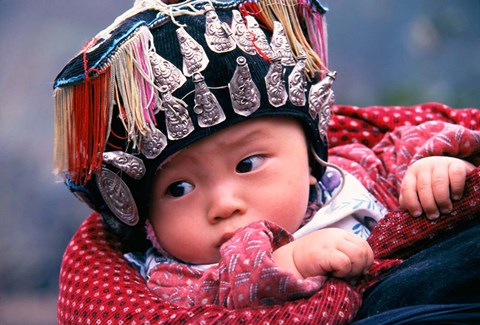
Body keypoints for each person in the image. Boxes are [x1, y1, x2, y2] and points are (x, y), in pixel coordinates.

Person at [53, 0, 480, 323]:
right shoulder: (173, 278)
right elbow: (211, 301)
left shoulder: (351, 175)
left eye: (248, 164)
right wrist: (284, 265)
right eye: (178, 188)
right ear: (147, 225)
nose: (224, 204)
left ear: (311, 156)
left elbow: (403, 147)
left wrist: (435, 166)